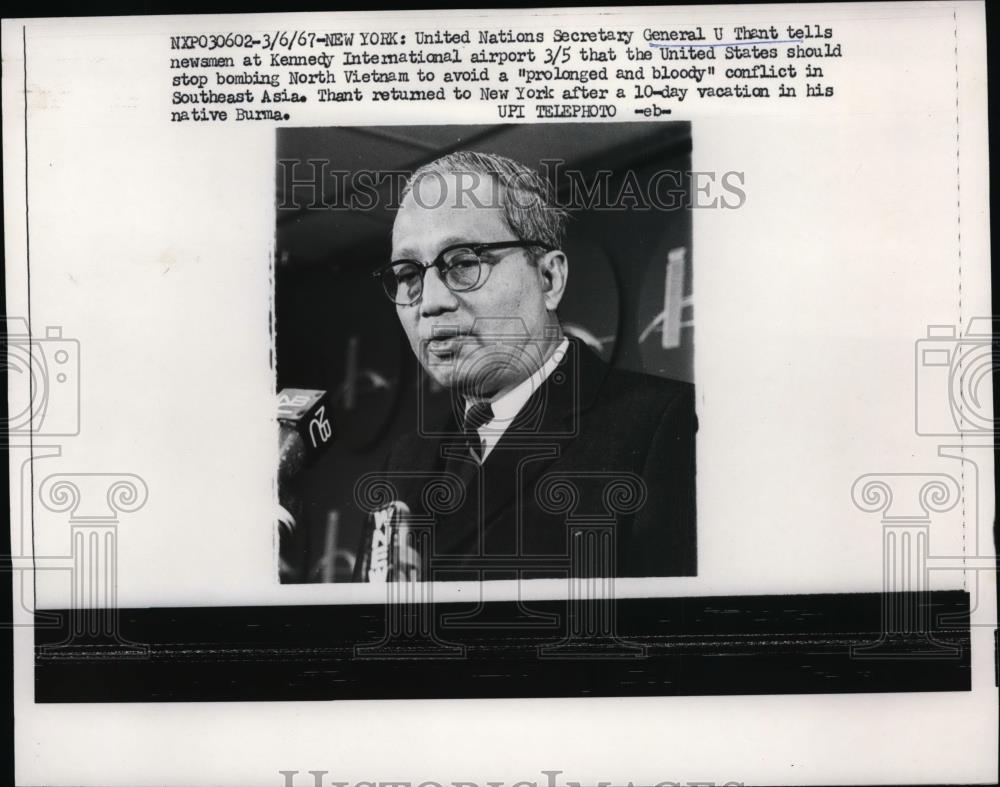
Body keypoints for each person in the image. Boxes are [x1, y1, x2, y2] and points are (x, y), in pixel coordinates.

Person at [357, 151, 696, 581]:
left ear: (548, 279)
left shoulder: (665, 426)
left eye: (463, 263)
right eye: (408, 274)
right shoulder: (401, 463)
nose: (429, 302)